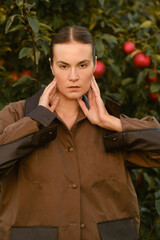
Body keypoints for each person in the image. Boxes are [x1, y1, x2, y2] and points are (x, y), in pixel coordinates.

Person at [0, 25, 160, 240]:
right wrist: (36, 121)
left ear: (94, 63)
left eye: (82, 65)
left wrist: (114, 124)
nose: (73, 76)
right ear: (51, 66)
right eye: (64, 66)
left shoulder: (110, 125)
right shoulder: (17, 115)